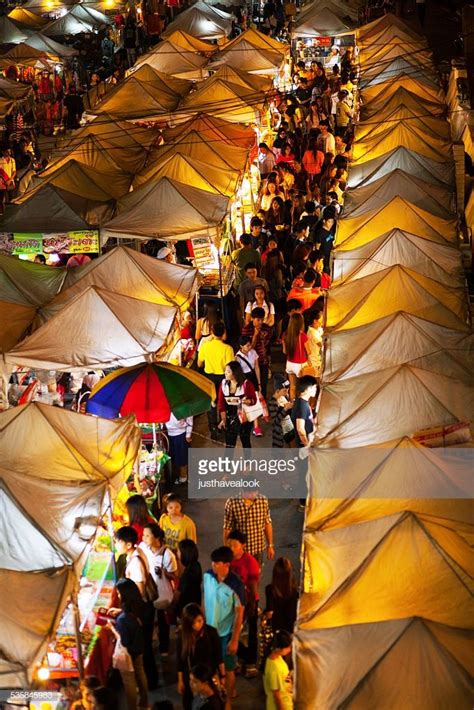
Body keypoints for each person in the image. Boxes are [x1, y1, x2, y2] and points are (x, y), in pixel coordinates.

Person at [115, 526, 159, 689]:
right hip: (142, 608)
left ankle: (151, 682)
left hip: (142, 609)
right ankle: (150, 680)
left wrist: (129, 612)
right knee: (145, 646)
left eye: (118, 542)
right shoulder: (136, 553)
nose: (116, 545)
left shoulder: (135, 563)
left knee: (145, 647)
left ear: (128, 544)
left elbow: (138, 591)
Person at [203, 547, 246, 703]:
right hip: (208, 630)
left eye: (217, 563)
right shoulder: (208, 576)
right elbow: (204, 598)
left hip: (225, 633)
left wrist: (234, 639)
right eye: (213, 563)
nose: (213, 566)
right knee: (212, 665)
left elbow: (239, 613)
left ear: (227, 564)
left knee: (228, 668)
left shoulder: (236, 586)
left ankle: (228, 700)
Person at [107, 578, 149, 710]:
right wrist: (120, 612)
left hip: (128, 652)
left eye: (119, 594)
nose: (118, 596)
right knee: (140, 672)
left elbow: (124, 641)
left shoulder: (123, 620)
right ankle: (144, 703)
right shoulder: (139, 606)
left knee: (129, 680)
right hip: (139, 648)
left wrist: (112, 628)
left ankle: (132, 707)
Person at [177, 604, 225, 710]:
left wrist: (222, 676)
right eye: (193, 622)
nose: (197, 625)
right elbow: (180, 660)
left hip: (206, 676)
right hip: (191, 678)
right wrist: (180, 680)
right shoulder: (183, 635)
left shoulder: (211, 632)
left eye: (200, 620)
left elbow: (219, 657)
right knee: (190, 704)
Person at [142, 523, 178, 657]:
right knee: (149, 618)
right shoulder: (144, 550)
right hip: (150, 592)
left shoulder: (168, 555)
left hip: (164, 594)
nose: (144, 538)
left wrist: (164, 573)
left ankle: (164, 647)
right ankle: (150, 644)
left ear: (157, 537)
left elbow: (175, 576)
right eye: (143, 535)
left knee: (163, 621)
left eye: (147, 535)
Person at [228, 531, 261, 678]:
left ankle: (251, 662)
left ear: (243, 546)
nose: (231, 548)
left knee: (250, 632)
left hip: (249, 601)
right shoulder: (228, 560)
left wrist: (252, 604)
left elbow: (253, 583)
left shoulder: (250, 561)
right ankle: (241, 658)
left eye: (234, 545)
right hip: (233, 602)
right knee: (236, 631)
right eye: (229, 544)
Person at [197, 322, 234, 436]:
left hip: (209, 378)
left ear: (212, 332)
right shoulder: (228, 348)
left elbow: (199, 364)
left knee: (211, 403)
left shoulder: (205, 346)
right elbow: (230, 367)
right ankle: (224, 424)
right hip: (224, 378)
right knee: (223, 402)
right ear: (223, 333)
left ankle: (213, 428)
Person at [223, 493, 274, 564]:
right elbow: (227, 528)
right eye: (250, 492)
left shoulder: (263, 500)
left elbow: (267, 522)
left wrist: (270, 545)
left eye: (255, 491)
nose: (254, 495)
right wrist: (226, 550)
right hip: (240, 552)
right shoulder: (232, 502)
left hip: (258, 550)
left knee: (257, 573)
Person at [217, 361, 257, 448]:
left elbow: (254, 400)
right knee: (229, 445)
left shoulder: (246, 384)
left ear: (235, 373)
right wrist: (223, 419)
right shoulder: (224, 384)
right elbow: (221, 403)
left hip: (244, 418)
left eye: (228, 371)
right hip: (229, 417)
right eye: (225, 371)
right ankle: (228, 462)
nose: (225, 373)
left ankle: (247, 461)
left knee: (245, 442)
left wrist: (246, 401)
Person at [241, 307, 272, 399]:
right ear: (252, 319)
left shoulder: (267, 328)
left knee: (263, 385)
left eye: (262, 319)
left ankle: (263, 406)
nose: (260, 322)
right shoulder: (247, 329)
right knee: (252, 386)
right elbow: (249, 348)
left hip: (263, 361)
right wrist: (255, 335)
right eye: (258, 320)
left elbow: (268, 344)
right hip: (251, 363)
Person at [265, 557, 299, 633]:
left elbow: (269, 611)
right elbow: (292, 616)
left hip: (275, 628)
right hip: (288, 630)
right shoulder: (294, 593)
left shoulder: (270, 589)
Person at [263, 630, 293, 710]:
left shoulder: (277, 658)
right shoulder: (274, 668)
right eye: (287, 648)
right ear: (278, 648)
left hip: (287, 701)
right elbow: (276, 695)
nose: (289, 650)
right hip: (282, 706)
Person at [283, 313, 310, 398]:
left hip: (290, 364)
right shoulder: (303, 336)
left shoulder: (285, 335)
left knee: (292, 387)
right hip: (300, 364)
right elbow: (308, 352)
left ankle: (292, 407)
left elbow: (284, 351)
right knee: (302, 389)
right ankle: (300, 407)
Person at [174, 540, 202, 618]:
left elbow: (178, 594)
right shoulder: (196, 565)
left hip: (186, 608)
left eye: (178, 551)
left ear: (184, 553)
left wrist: (171, 605)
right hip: (195, 601)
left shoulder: (187, 574)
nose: (177, 553)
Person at [268, 374, 295, 449]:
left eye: (288, 390)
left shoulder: (284, 397)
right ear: (277, 391)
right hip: (279, 433)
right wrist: (285, 409)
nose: (287, 392)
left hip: (289, 429)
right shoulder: (272, 402)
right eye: (284, 391)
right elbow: (276, 421)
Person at [166, 413, 193, 485]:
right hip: (169, 434)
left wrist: (188, 434)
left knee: (182, 458)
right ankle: (178, 476)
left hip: (181, 434)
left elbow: (190, 417)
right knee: (174, 457)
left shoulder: (182, 404)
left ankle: (183, 478)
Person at [0, 146, 16, 212]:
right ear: (3, 152)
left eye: (9, 152)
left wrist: (10, 180)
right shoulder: (0, 160)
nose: (9, 153)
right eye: (7, 152)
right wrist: (4, 180)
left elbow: (14, 171)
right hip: (1, 183)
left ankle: (11, 212)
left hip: (10, 182)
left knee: (11, 199)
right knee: (1, 199)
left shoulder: (12, 160)